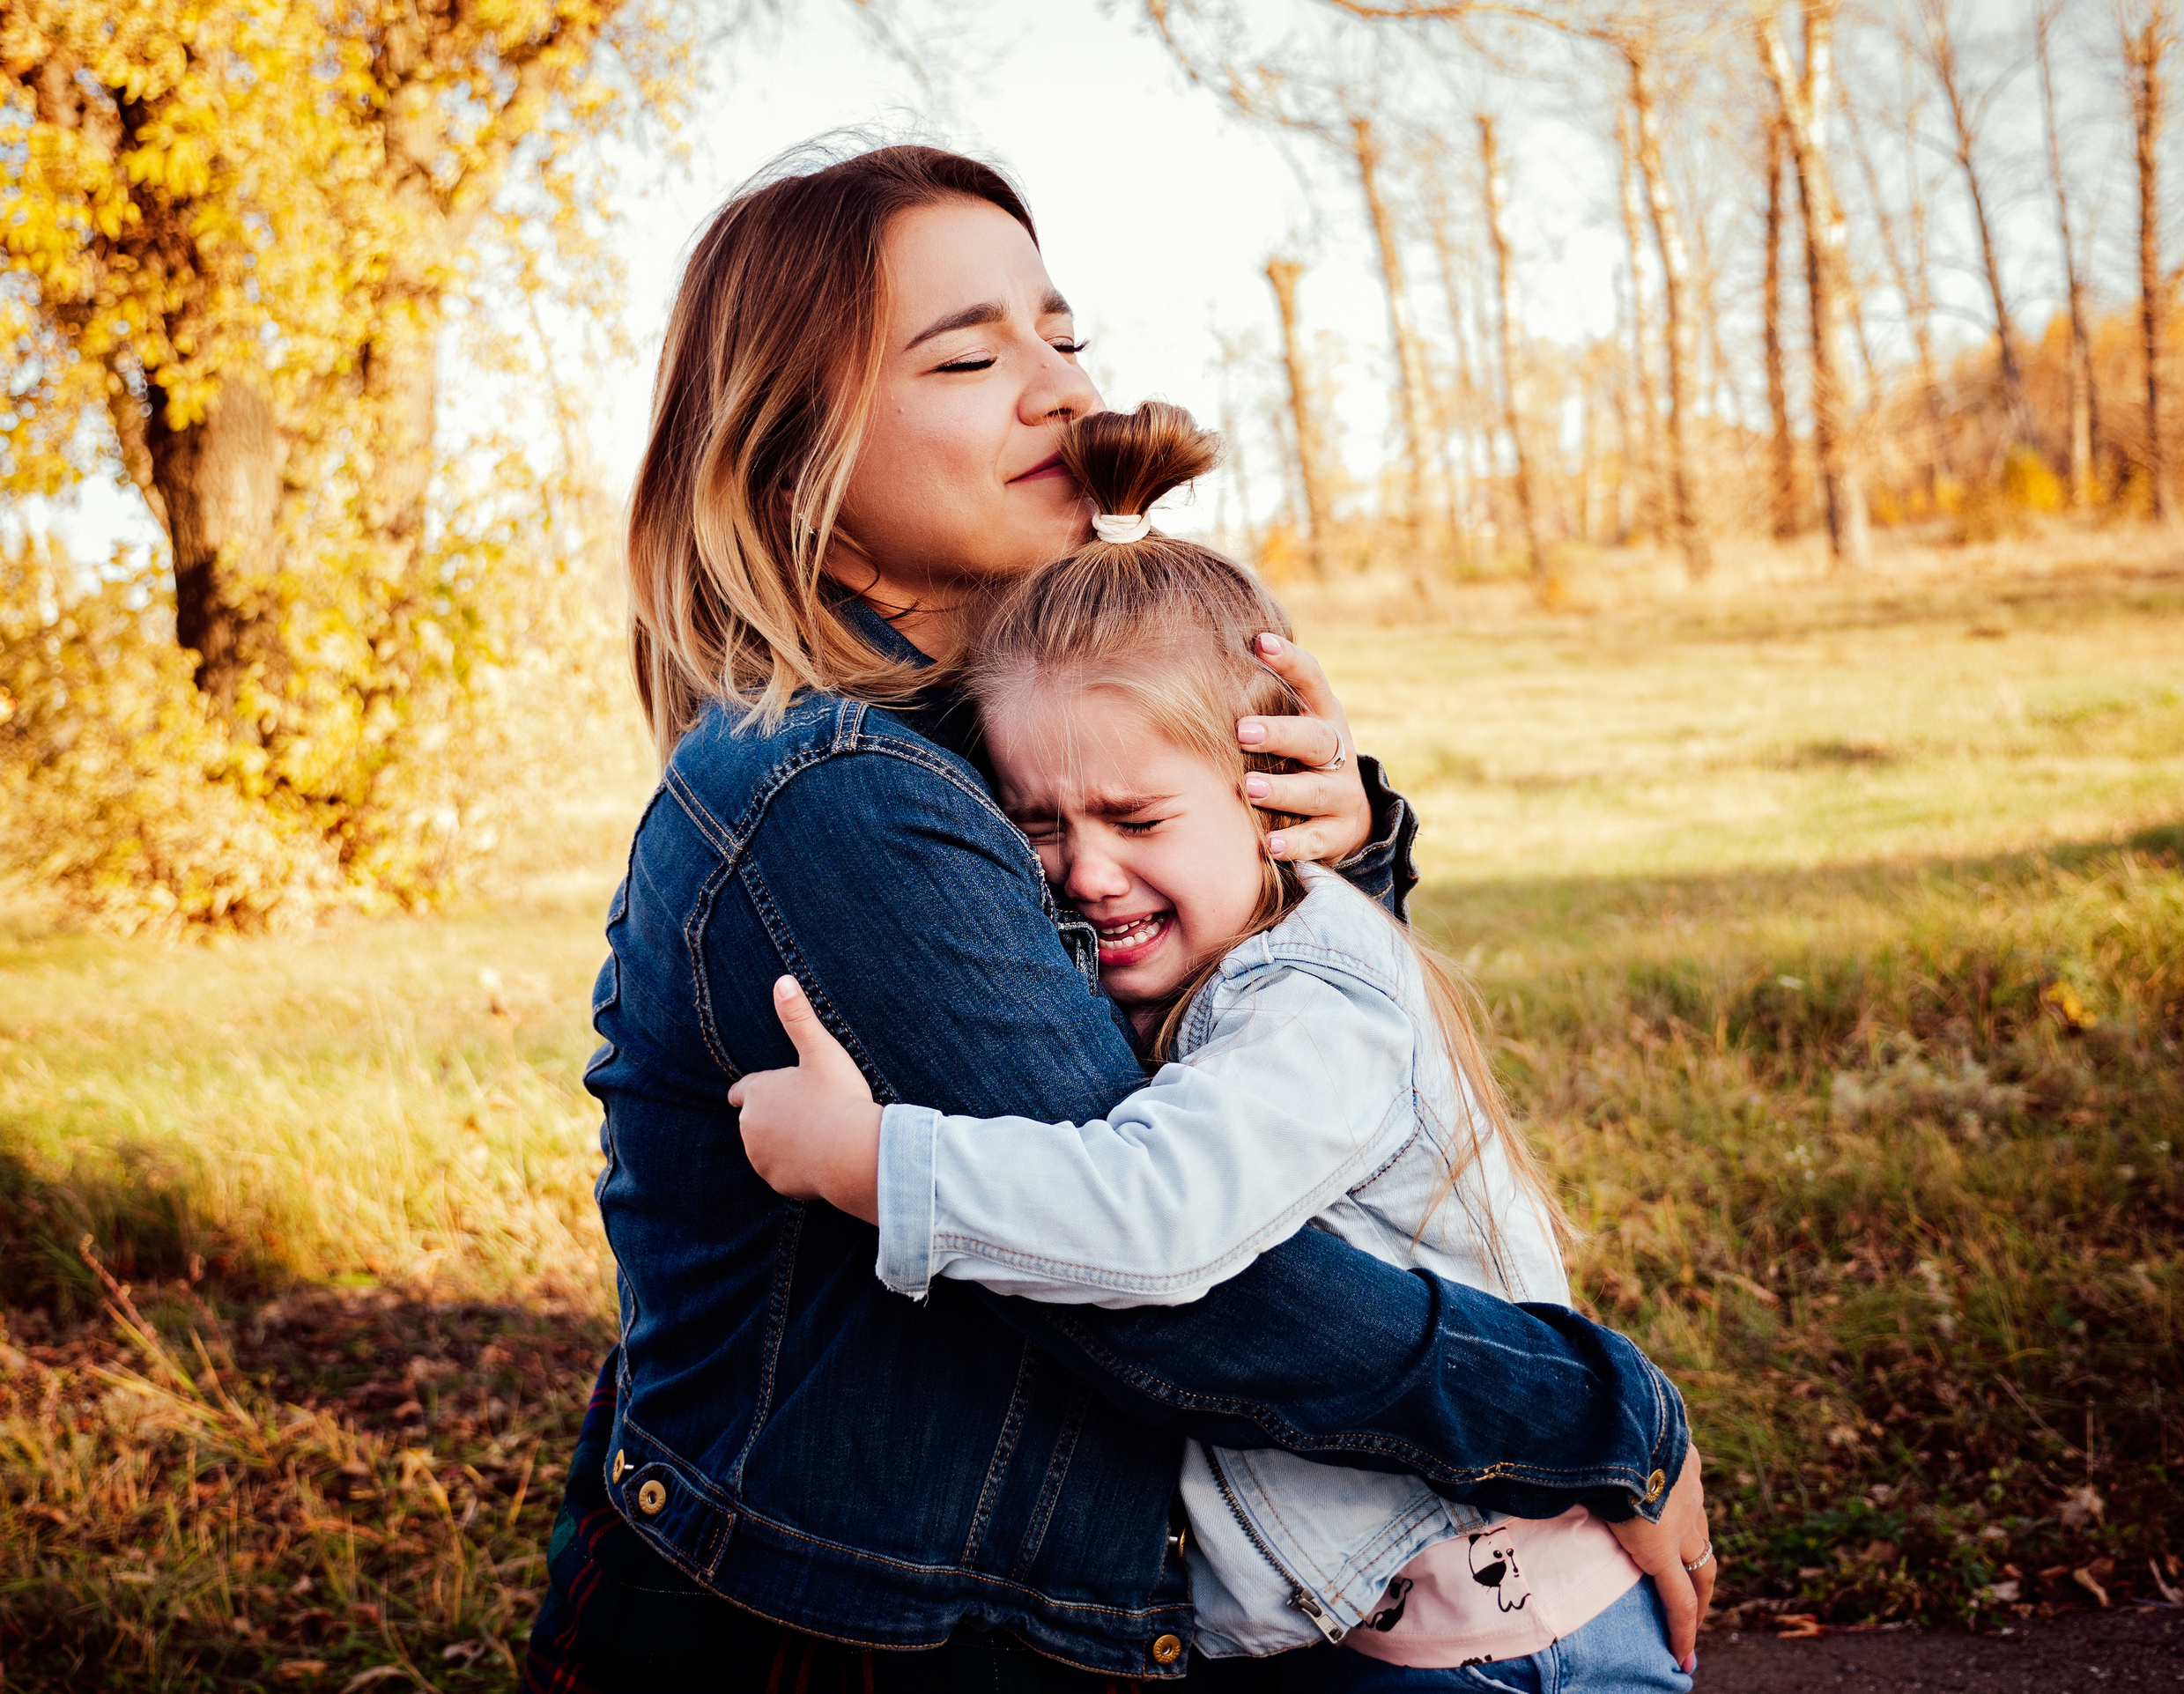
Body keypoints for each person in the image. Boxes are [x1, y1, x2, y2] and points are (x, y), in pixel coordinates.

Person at [525, 141, 1708, 1691]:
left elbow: (1278, 1103)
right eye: (970, 351)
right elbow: (1184, 1286)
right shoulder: (840, 794)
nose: (1060, 390)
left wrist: (1321, 871)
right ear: (787, 446)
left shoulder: (1000, 744)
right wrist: (1608, 1418)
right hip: (850, 1639)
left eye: (1062, 336)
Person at [731, 402, 1712, 1691]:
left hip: (1508, 1652)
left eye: (1134, 814)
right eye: (1035, 824)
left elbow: (1156, 1219)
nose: (1084, 869)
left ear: (1272, 802)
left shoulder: (1314, 1001)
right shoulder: (1185, 974)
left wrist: (874, 1166)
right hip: (1383, 1639)